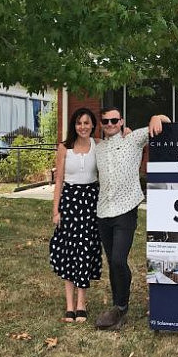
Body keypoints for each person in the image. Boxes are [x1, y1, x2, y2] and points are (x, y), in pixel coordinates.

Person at [94, 106, 171, 330]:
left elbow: (164, 122)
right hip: (103, 211)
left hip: (126, 210)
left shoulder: (133, 139)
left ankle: (122, 306)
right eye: (106, 121)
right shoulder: (97, 147)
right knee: (112, 261)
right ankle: (118, 306)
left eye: (114, 120)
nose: (110, 124)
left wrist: (156, 115)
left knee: (119, 259)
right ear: (101, 124)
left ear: (121, 121)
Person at [50, 107, 102, 324]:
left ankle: (82, 304)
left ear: (92, 125)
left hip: (91, 201)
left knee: (85, 251)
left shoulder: (98, 145)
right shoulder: (64, 148)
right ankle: (69, 306)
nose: (83, 127)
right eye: (79, 123)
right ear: (74, 125)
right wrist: (56, 210)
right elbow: (59, 180)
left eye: (87, 123)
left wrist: (126, 130)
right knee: (69, 252)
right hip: (70, 202)